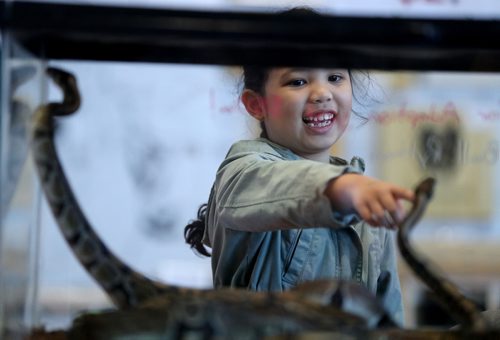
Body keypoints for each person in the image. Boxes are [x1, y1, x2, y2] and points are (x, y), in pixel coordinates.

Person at [185, 12, 414, 326]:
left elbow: (389, 321)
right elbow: (277, 185)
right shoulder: (241, 171)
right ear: (257, 105)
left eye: (335, 77)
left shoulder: (362, 197)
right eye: (298, 81)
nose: (322, 93)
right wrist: (342, 189)